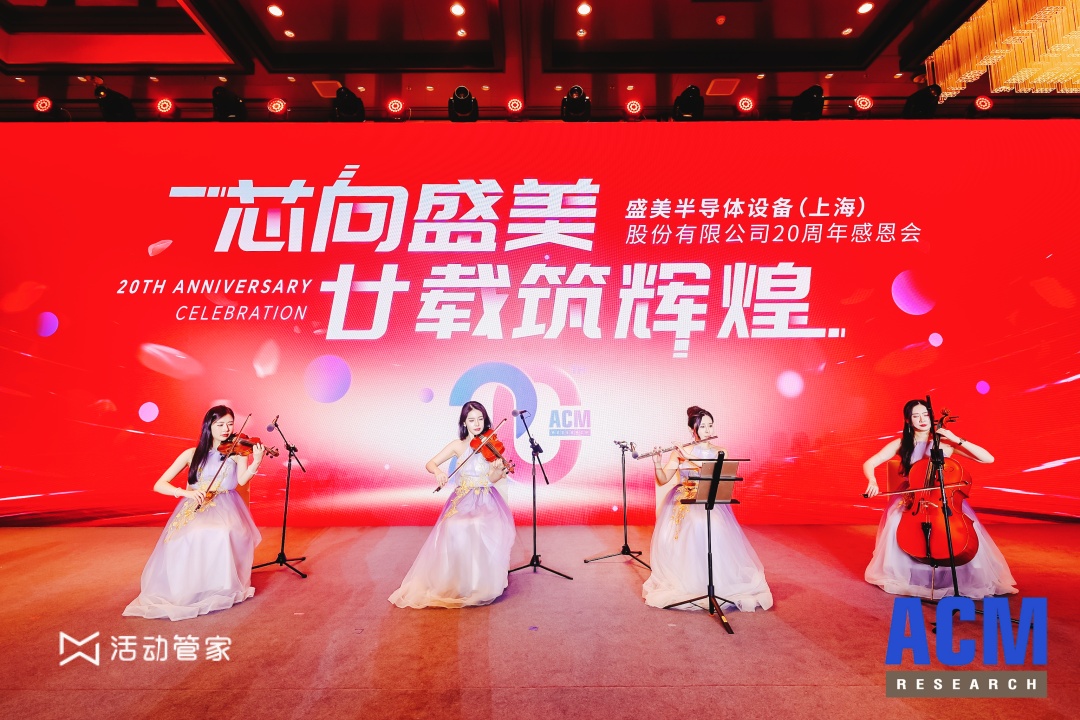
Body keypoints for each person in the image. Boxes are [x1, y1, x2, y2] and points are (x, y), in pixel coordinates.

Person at [862, 399, 1017, 599]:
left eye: (925, 415)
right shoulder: (902, 444)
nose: (922, 419)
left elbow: (988, 459)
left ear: (932, 417)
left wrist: (956, 438)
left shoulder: (945, 443)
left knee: (956, 531)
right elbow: (870, 462)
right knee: (896, 524)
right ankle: (908, 577)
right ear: (908, 420)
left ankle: (956, 577)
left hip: (941, 497)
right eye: (916, 416)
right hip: (913, 498)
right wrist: (872, 480)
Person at [124, 405, 263, 620]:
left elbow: (242, 481)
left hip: (227, 506)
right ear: (209, 426)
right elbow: (159, 484)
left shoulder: (237, 453)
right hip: (195, 505)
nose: (226, 429)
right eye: (220, 424)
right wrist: (186, 493)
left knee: (222, 532)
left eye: (229, 424)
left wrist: (258, 461)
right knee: (184, 537)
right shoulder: (191, 454)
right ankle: (190, 586)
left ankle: (221, 584)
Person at [642, 406, 773, 612]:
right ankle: (690, 580)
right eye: (702, 426)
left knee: (715, 527)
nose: (708, 430)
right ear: (692, 429)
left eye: (710, 425)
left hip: (709, 498)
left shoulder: (720, 451)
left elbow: (711, 471)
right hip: (684, 500)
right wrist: (657, 463)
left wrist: (688, 455)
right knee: (696, 525)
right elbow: (663, 479)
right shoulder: (679, 453)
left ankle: (717, 580)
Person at [389, 401, 516, 608]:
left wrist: (497, 470)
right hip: (463, 498)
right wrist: (438, 472)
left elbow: (491, 480)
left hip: (486, 499)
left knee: (479, 525)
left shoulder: (491, 444)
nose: (477, 424)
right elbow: (430, 463)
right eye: (472, 420)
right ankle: (457, 581)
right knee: (452, 525)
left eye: (480, 419)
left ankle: (480, 584)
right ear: (464, 423)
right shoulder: (458, 445)